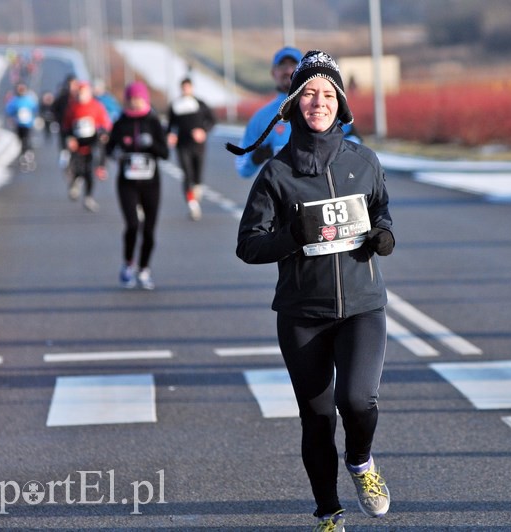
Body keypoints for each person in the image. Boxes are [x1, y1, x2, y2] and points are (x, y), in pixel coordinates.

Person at [234, 50, 395, 532]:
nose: (318, 102)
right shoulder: (276, 174)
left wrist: (384, 234)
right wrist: (292, 239)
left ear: (340, 104)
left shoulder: (364, 161)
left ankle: (362, 463)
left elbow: (381, 210)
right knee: (318, 418)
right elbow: (248, 245)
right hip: (303, 314)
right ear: (292, 103)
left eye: (327, 94)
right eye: (308, 94)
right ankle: (328, 513)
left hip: (363, 307)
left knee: (359, 400)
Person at [106, 81, 169, 290]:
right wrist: (118, 152)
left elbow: (165, 153)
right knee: (133, 225)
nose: (135, 102)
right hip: (127, 182)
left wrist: (150, 144)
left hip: (151, 182)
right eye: (131, 99)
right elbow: (109, 149)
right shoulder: (121, 121)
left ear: (145, 99)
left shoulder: (153, 121)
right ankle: (127, 265)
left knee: (149, 231)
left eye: (138, 98)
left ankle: (144, 268)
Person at [233, 46, 302, 179]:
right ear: (273, 73)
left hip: (317, 194)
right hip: (281, 196)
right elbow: (242, 166)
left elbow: (353, 144)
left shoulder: (320, 108)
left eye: (293, 64)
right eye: (282, 65)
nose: (288, 70)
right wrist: (255, 158)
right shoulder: (261, 118)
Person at [166, 77, 215, 220]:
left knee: (197, 176)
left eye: (188, 87)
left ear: (192, 88)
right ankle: (192, 205)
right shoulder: (175, 106)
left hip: (199, 146)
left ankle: (196, 191)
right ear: (180, 89)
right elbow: (170, 126)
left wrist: (203, 131)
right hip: (182, 145)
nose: (185, 90)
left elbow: (212, 121)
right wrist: (170, 135)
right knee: (187, 174)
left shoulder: (200, 104)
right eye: (183, 88)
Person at [61, 81, 111, 212]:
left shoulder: (96, 106)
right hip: (76, 144)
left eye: (83, 92)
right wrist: (69, 138)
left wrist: (104, 134)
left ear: (89, 93)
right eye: (79, 92)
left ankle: (88, 197)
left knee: (89, 171)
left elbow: (105, 123)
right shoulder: (72, 107)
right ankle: (75, 183)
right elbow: (66, 126)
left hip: (91, 143)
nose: (81, 95)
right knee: (76, 167)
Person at [4, 82, 39, 171]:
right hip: (19, 124)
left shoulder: (29, 99)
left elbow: (35, 108)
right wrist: (12, 117)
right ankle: (24, 155)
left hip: (28, 124)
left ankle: (28, 154)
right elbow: (9, 110)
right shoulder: (15, 100)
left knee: (26, 139)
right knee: (21, 140)